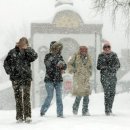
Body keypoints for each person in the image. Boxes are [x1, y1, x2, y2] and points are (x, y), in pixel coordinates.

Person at [3, 37, 38, 123]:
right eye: (22, 43)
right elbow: (6, 63)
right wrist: (10, 71)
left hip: (26, 77)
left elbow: (35, 56)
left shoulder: (28, 52)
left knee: (26, 97)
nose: (23, 45)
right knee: (18, 97)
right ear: (18, 43)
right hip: (15, 78)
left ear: (26, 44)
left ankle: (27, 116)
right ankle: (19, 117)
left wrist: (28, 49)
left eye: (25, 43)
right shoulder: (12, 52)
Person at [40, 41, 67, 118]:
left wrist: (62, 65)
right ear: (52, 48)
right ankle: (43, 111)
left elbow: (65, 66)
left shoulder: (60, 56)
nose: (57, 50)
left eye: (58, 48)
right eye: (55, 48)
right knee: (50, 96)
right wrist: (57, 64)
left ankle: (60, 113)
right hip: (49, 79)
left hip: (58, 80)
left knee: (59, 97)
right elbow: (48, 65)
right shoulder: (47, 56)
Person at [97, 41, 120, 116]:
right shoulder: (100, 55)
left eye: (108, 47)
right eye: (105, 47)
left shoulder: (114, 55)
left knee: (112, 93)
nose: (107, 49)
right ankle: (107, 110)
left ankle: (110, 108)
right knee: (107, 93)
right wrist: (104, 67)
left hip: (113, 76)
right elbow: (98, 66)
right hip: (104, 76)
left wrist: (113, 68)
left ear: (110, 48)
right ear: (103, 48)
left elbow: (118, 65)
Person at [67, 46, 92, 116]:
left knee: (86, 95)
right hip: (78, 78)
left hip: (86, 78)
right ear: (80, 51)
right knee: (79, 94)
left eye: (85, 51)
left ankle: (85, 110)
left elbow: (90, 66)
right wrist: (73, 70)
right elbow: (69, 64)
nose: (84, 52)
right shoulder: (75, 56)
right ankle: (75, 108)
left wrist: (89, 72)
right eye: (82, 51)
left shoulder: (88, 57)